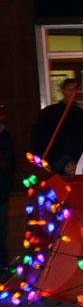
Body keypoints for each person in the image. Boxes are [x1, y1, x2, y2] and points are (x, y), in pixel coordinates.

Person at [30, 78, 83, 175]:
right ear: (63, 91)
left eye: (76, 90)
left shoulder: (80, 114)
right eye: (70, 90)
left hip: (75, 159)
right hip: (55, 160)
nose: (74, 93)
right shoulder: (50, 113)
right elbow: (39, 136)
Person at [0, 104, 13, 268]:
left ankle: (2, 263)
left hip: (2, 188)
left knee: (2, 228)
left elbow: (10, 161)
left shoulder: (4, 134)